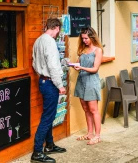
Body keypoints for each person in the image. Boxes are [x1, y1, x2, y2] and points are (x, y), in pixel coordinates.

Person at [31, 18, 67, 163]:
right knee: (47, 118)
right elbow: (52, 66)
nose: (59, 33)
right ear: (57, 28)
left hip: (43, 80)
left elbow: (34, 63)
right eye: (59, 30)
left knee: (50, 115)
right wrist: (60, 85)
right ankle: (37, 152)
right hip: (51, 83)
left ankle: (50, 145)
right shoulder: (50, 42)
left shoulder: (38, 40)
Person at [72, 26, 103, 145]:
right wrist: (75, 66)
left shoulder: (98, 50)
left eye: (86, 38)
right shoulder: (83, 50)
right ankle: (89, 133)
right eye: (82, 38)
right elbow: (79, 65)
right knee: (86, 109)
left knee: (93, 110)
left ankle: (97, 135)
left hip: (91, 82)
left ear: (92, 37)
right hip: (81, 81)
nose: (84, 40)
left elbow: (95, 69)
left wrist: (81, 67)